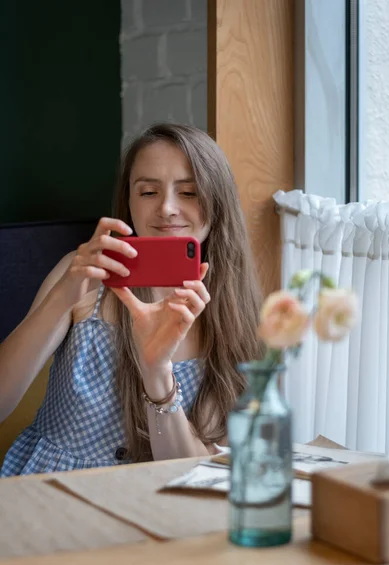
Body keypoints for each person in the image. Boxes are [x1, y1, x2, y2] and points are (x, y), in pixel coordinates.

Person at [0, 123, 262, 477]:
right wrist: (62, 296)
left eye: (188, 192)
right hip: (52, 487)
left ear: (218, 201)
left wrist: (157, 372)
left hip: (151, 496)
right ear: (129, 201)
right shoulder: (83, 276)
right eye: (149, 192)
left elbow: (189, 469)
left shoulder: (230, 312)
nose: (167, 208)